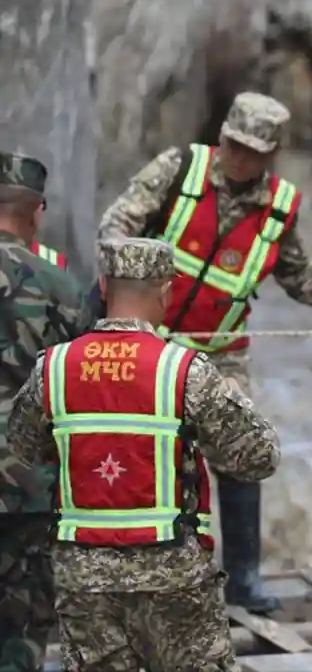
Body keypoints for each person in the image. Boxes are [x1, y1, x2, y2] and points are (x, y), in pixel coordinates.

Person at [95, 91, 312, 613]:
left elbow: (298, 276)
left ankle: (245, 576)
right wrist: (129, 298)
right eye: (234, 144)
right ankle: (129, 572)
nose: (239, 157)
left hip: (220, 351)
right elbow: (116, 226)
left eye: (253, 151)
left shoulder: (279, 208)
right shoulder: (179, 169)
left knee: (243, 449)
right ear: (222, 137)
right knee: (133, 454)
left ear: (271, 155)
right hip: (148, 343)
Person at [7, 237, 281, 671]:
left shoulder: (54, 368)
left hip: (84, 579)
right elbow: (257, 458)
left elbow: (21, 448)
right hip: (172, 574)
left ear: (102, 286)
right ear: (166, 292)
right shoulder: (183, 370)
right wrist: (230, 397)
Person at [0, 152, 93, 672]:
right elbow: (79, 382)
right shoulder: (60, 285)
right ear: (38, 212)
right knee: (21, 624)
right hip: (27, 485)